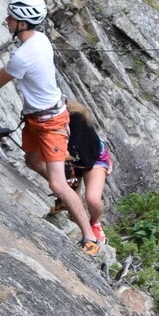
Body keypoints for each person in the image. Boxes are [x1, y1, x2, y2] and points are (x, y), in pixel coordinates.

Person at [0, 0, 101, 255]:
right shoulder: (39, 41)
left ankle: (90, 237)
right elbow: (3, 73)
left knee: (57, 185)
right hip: (38, 117)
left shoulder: (25, 53)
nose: (6, 20)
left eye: (11, 17)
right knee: (31, 160)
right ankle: (68, 190)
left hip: (49, 122)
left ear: (23, 23)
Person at [49, 100, 112, 244]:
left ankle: (94, 223)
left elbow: (73, 151)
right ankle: (82, 224)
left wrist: (48, 156)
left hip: (93, 158)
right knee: (73, 200)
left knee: (93, 200)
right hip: (73, 161)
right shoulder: (51, 120)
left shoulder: (75, 118)